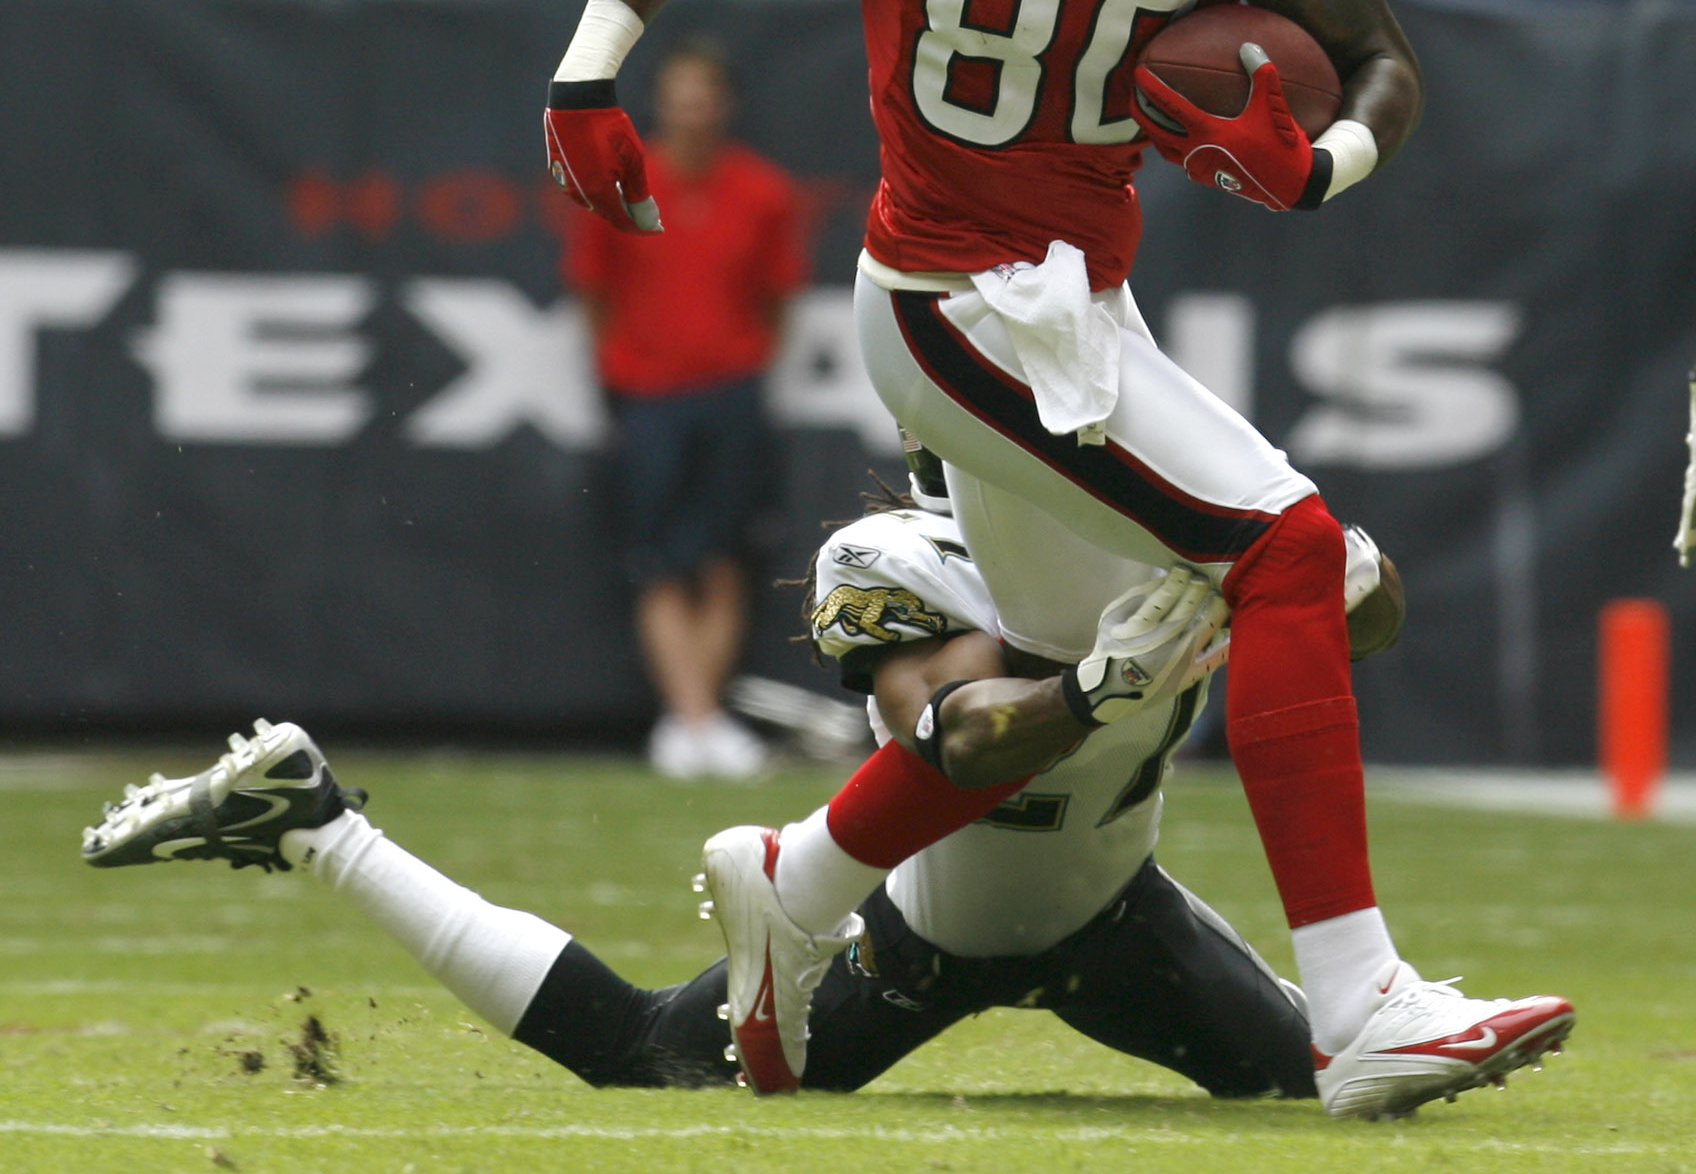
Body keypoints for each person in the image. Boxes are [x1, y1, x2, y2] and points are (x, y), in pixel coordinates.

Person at [539, 0, 1576, 1119]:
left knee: (1142, 651)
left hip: (1081, 304)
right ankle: (1360, 1000)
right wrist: (591, 64)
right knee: (1293, 556)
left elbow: (1376, 56)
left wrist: (1323, 169)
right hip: (958, 296)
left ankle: (797, 879)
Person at [79, 494, 1414, 1098]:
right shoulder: (1011, 694)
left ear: (978, 606)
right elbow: (974, 734)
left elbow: (1373, 612)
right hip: (920, 948)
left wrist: (1311, 563)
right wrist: (1104, 684)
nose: (885, 695)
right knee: (642, 1055)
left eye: (903, 647)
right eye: (863, 668)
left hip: (1120, 920)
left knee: (1321, 1078)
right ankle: (319, 825)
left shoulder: (1126, 603)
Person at [566, 41, 806, 779]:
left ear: (725, 104)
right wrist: (623, 371)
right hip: (646, 398)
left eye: (704, 94)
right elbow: (592, 293)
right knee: (660, 563)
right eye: (679, 94)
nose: (692, 109)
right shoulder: (620, 186)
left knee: (725, 561)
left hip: (731, 393)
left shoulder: (764, 192)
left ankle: (698, 723)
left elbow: (778, 297)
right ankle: (693, 720)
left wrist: (742, 362)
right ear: (660, 104)